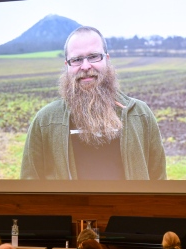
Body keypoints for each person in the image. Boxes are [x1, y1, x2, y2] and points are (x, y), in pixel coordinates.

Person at [20, 26, 166, 180]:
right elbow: (30, 184)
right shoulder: (45, 121)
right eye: (76, 59)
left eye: (94, 56)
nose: (85, 66)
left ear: (107, 60)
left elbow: (158, 180)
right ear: (67, 65)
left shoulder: (140, 114)